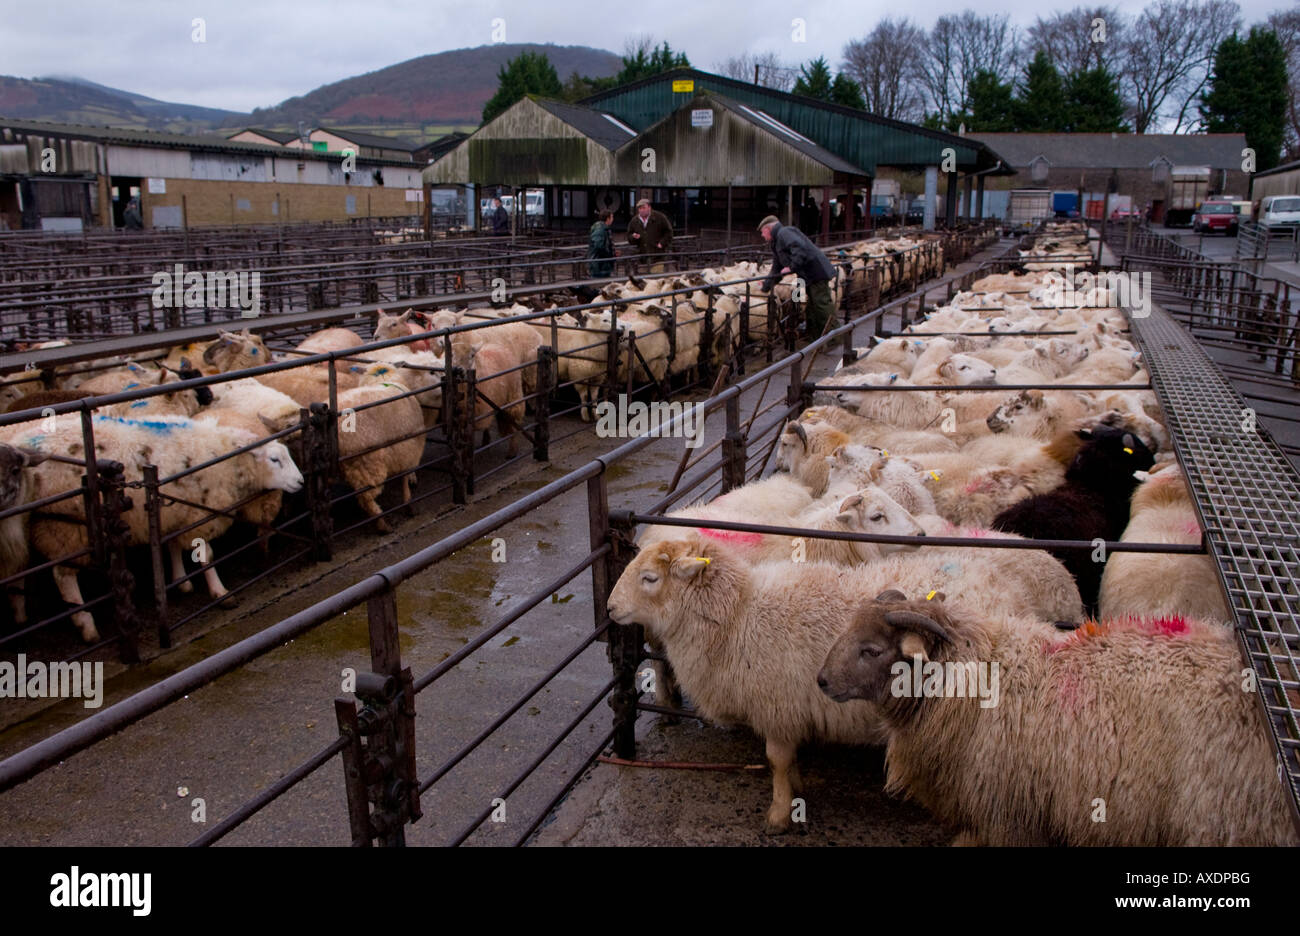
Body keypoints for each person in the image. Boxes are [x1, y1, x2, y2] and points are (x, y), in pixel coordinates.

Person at [758, 214, 837, 337]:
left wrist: (791, 267)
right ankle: (814, 337)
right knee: (812, 306)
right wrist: (765, 286)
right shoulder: (777, 242)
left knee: (821, 304)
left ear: (768, 229)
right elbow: (776, 269)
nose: (762, 236)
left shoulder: (784, 233)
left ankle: (835, 336)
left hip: (816, 273)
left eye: (762, 232)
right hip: (808, 276)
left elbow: (800, 249)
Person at [625, 197, 673, 273]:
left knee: (655, 280)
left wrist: (662, 243)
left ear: (649, 207)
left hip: (657, 256)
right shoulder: (634, 221)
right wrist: (633, 237)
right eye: (640, 208)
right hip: (641, 258)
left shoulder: (660, 218)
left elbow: (669, 232)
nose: (642, 210)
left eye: (644, 208)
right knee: (643, 281)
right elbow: (629, 236)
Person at [587, 210, 616, 278]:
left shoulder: (604, 229)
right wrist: (609, 254)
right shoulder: (600, 229)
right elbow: (599, 246)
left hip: (603, 263)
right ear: (608, 218)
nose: (613, 219)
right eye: (612, 217)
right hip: (599, 264)